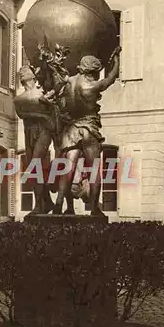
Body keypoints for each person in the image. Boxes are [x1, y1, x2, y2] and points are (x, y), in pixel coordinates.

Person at [53, 46, 121, 216]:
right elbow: (111, 78)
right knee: (94, 169)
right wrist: (116, 60)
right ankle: (94, 209)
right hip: (89, 129)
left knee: (68, 169)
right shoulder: (92, 87)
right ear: (92, 71)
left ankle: (58, 204)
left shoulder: (69, 82)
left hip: (71, 130)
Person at [14, 66, 56, 215]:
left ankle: (39, 205)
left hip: (43, 131)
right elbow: (21, 114)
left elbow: (53, 111)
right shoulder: (18, 99)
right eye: (22, 74)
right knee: (36, 169)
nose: (24, 74)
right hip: (29, 133)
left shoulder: (42, 93)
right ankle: (46, 201)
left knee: (35, 165)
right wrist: (41, 115)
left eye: (28, 73)